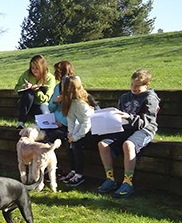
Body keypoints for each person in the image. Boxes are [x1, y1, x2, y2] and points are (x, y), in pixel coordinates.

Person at [97, 69, 160, 198]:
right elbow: (118, 115)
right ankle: (110, 179)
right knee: (103, 144)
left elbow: (146, 121)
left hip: (145, 129)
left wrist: (128, 117)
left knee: (128, 145)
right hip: (125, 128)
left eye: (138, 86)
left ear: (146, 85)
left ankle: (128, 182)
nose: (134, 88)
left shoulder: (150, 98)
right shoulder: (125, 97)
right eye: (132, 84)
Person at [59, 76, 98, 187]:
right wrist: (70, 133)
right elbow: (70, 118)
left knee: (76, 144)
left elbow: (87, 122)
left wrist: (76, 137)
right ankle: (73, 170)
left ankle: (79, 175)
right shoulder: (70, 102)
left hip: (93, 130)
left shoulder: (81, 103)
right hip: (82, 128)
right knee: (69, 142)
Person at [14, 54, 56, 129]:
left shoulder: (50, 78)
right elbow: (16, 89)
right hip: (26, 104)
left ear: (42, 67)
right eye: (32, 68)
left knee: (45, 118)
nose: (34, 70)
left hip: (42, 104)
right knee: (28, 94)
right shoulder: (27, 74)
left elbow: (46, 98)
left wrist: (37, 90)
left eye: (37, 68)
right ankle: (21, 122)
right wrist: (24, 86)